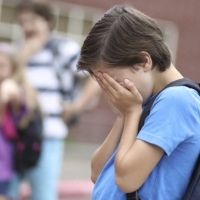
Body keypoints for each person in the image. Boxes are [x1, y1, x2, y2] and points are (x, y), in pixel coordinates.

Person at [77, 5, 200, 200]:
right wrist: (123, 115)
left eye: (114, 81)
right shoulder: (145, 101)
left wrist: (132, 113)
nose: (112, 91)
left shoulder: (176, 100)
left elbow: (127, 180)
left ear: (144, 61)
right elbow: (97, 172)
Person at [8, 1, 100, 200]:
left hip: (48, 137)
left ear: (48, 22)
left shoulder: (64, 50)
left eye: (33, 21)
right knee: (7, 192)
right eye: (22, 22)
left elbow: (95, 77)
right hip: (11, 137)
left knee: (43, 195)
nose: (27, 27)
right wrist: (22, 56)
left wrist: (77, 106)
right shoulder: (12, 53)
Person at [0, 43, 39, 200]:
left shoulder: (14, 90)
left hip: (3, 167)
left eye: (2, 65)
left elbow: (11, 92)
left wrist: (7, 91)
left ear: (13, 69)